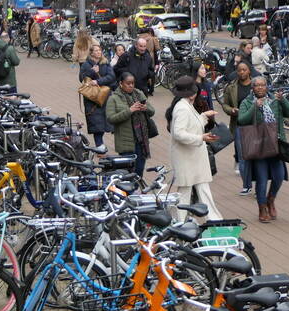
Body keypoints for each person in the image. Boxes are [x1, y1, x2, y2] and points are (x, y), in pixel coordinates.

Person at [237, 76, 289, 223]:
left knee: (279, 176)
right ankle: (262, 208)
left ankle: (271, 199)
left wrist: (283, 100)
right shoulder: (247, 102)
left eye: (263, 85)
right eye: (257, 86)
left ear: (267, 87)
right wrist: (255, 106)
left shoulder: (274, 100)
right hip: (259, 146)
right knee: (261, 180)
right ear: (253, 88)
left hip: (276, 145)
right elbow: (242, 120)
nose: (260, 88)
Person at [167, 76, 222, 222]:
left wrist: (203, 116)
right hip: (188, 158)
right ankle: (182, 221)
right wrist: (201, 138)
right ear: (192, 93)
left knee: (195, 190)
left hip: (191, 157)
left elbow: (191, 125)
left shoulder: (184, 105)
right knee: (187, 192)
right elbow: (179, 133)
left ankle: (209, 219)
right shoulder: (183, 108)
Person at [106, 72, 155, 176]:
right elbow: (111, 118)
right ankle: (129, 191)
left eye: (133, 83)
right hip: (126, 141)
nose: (131, 85)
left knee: (139, 170)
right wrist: (130, 110)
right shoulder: (114, 98)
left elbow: (152, 111)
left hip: (141, 140)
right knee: (128, 172)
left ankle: (137, 189)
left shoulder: (139, 94)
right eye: (128, 83)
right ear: (121, 84)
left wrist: (146, 108)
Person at [221, 61, 254, 196]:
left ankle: (259, 183)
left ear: (249, 71)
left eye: (244, 70)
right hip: (239, 126)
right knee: (242, 157)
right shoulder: (231, 87)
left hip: (254, 126)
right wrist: (231, 110)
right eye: (239, 70)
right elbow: (225, 104)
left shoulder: (256, 85)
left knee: (256, 156)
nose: (241, 72)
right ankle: (246, 185)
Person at [79, 44, 115, 148]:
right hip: (92, 98)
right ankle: (99, 145)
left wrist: (98, 81)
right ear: (91, 53)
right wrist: (91, 72)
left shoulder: (105, 63)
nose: (99, 52)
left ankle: (100, 145)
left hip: (105, 97)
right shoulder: (86, 64)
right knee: (96, 122)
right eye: (96, 51)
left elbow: (111, 77)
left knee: (104, 122)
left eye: (100, 50)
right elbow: (81, 78)